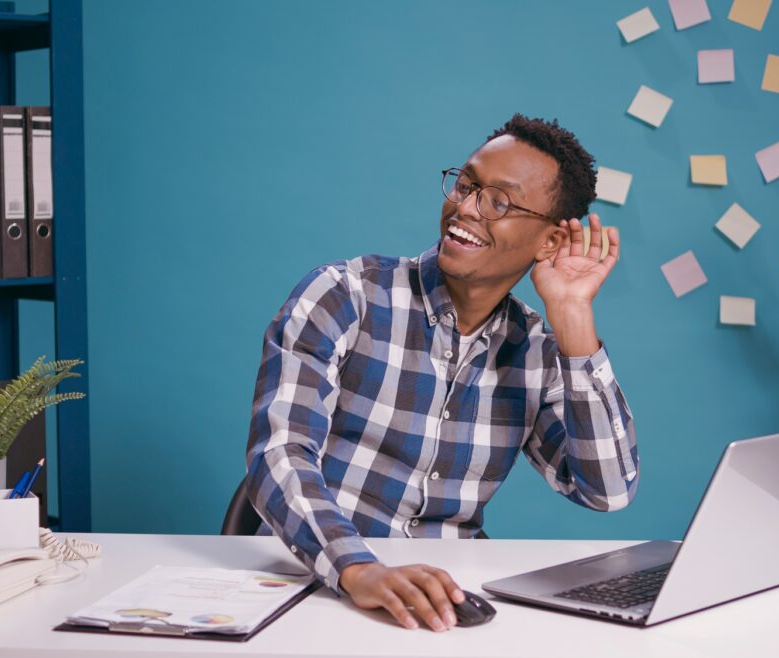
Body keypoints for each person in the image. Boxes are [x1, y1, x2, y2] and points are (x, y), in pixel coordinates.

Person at [245, 114, 638, 632]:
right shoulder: (345, 296)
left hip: (446, 601)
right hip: (319, 581)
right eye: (467, 184)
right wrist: (358, 569)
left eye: (499, 201)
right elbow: (280, 452)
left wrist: (572, 316)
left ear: (547, 243)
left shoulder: (538, 349)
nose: (465, 208)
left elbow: (606, 491)